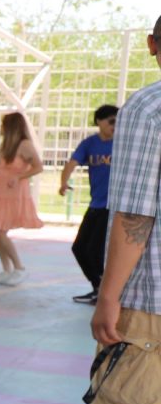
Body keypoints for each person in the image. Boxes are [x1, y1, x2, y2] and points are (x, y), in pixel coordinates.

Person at [86, 15, 161, 404]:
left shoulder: (149, 107)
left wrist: (109, 293)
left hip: (152, 293)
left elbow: (136, 210)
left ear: (154, 46)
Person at [0, 111, 44, 286]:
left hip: (14, 194)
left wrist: (19, 177)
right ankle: (6, 269)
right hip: (0, 193)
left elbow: (38, 167)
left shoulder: (25, 145)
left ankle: (19, 267)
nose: (1, 128)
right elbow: (0, 169)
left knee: (0, 231)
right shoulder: (5, 146)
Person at [60, 104, 116, 305]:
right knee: (79, 248)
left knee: (95, 251)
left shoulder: (122, 143)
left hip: (113, 207)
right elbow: (72, 163)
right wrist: (63, 182)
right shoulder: (90, 143)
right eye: (111, 121)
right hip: (96, 205)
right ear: (98, 122)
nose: (115, 126)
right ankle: (98, 287)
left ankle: (107, 292)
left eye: (118, 122)